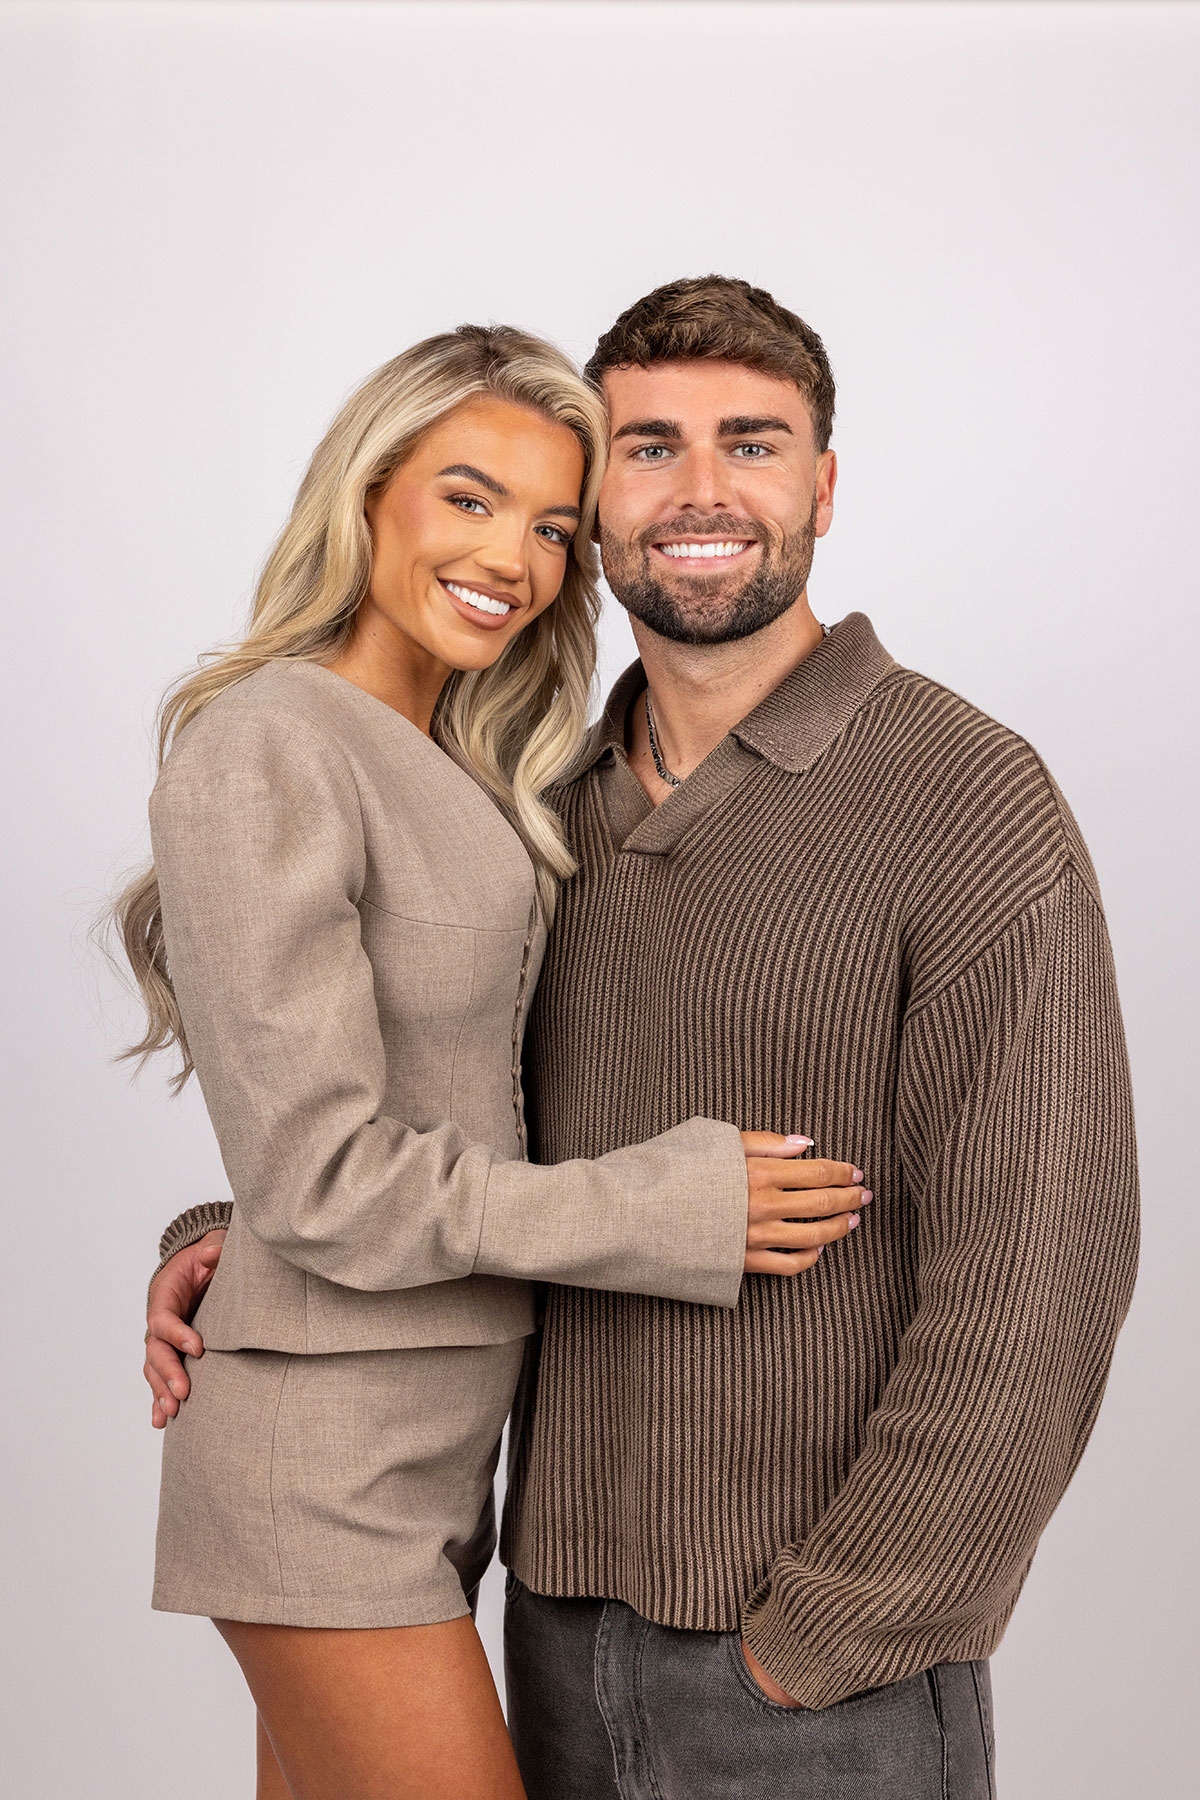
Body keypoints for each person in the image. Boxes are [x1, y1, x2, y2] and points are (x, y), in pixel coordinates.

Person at [146, 279, 1140, 1800]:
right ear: (604, 503)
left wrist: (834, 1631)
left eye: (753, 444)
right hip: (541, 1604)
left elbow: (1047, 1274)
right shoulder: (555, 809)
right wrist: (240, 1226)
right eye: (648, 447)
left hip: (809, 1661)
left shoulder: (968, 800)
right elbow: (444, 1109)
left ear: (822, 483)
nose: (701, 490)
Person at [118, 321, 871, 1800]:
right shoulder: (272, 743)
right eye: (467, 498)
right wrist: (669, 1211)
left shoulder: (468, 755)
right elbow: (327, 1172)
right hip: (321, 1472)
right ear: (368, 492)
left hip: (439, 1454)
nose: (512, 560)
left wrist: (217, 1232)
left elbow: (401, 1108)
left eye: (547, 524)